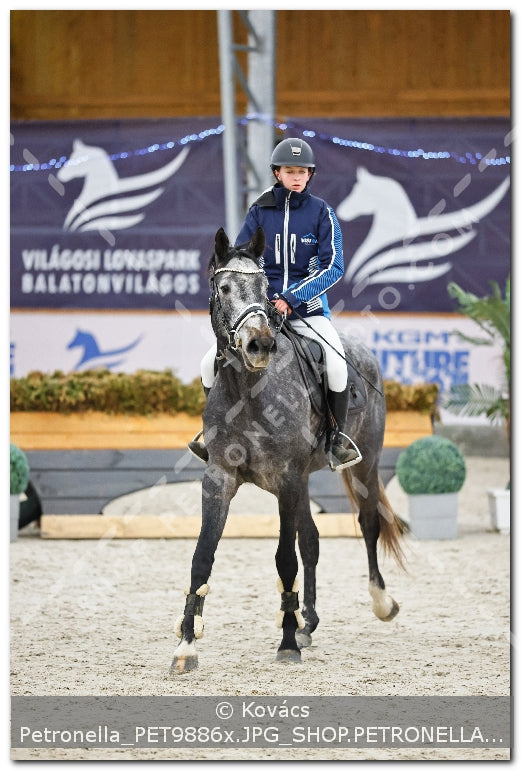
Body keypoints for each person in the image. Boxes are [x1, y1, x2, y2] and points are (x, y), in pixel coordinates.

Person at [189, 137, 361, 470]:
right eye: (290, 171)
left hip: (307, 311)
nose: (297, 176)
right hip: (260, 314)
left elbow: (333, 266)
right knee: (208, 364)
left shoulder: (322, 213)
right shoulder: (259, 211)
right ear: (276, 173)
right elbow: (240, 260)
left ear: (310, 175)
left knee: (337, 364)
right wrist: (259, 300)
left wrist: (291, 298)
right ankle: (214, 433)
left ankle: (336, 439)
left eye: (303, 171)